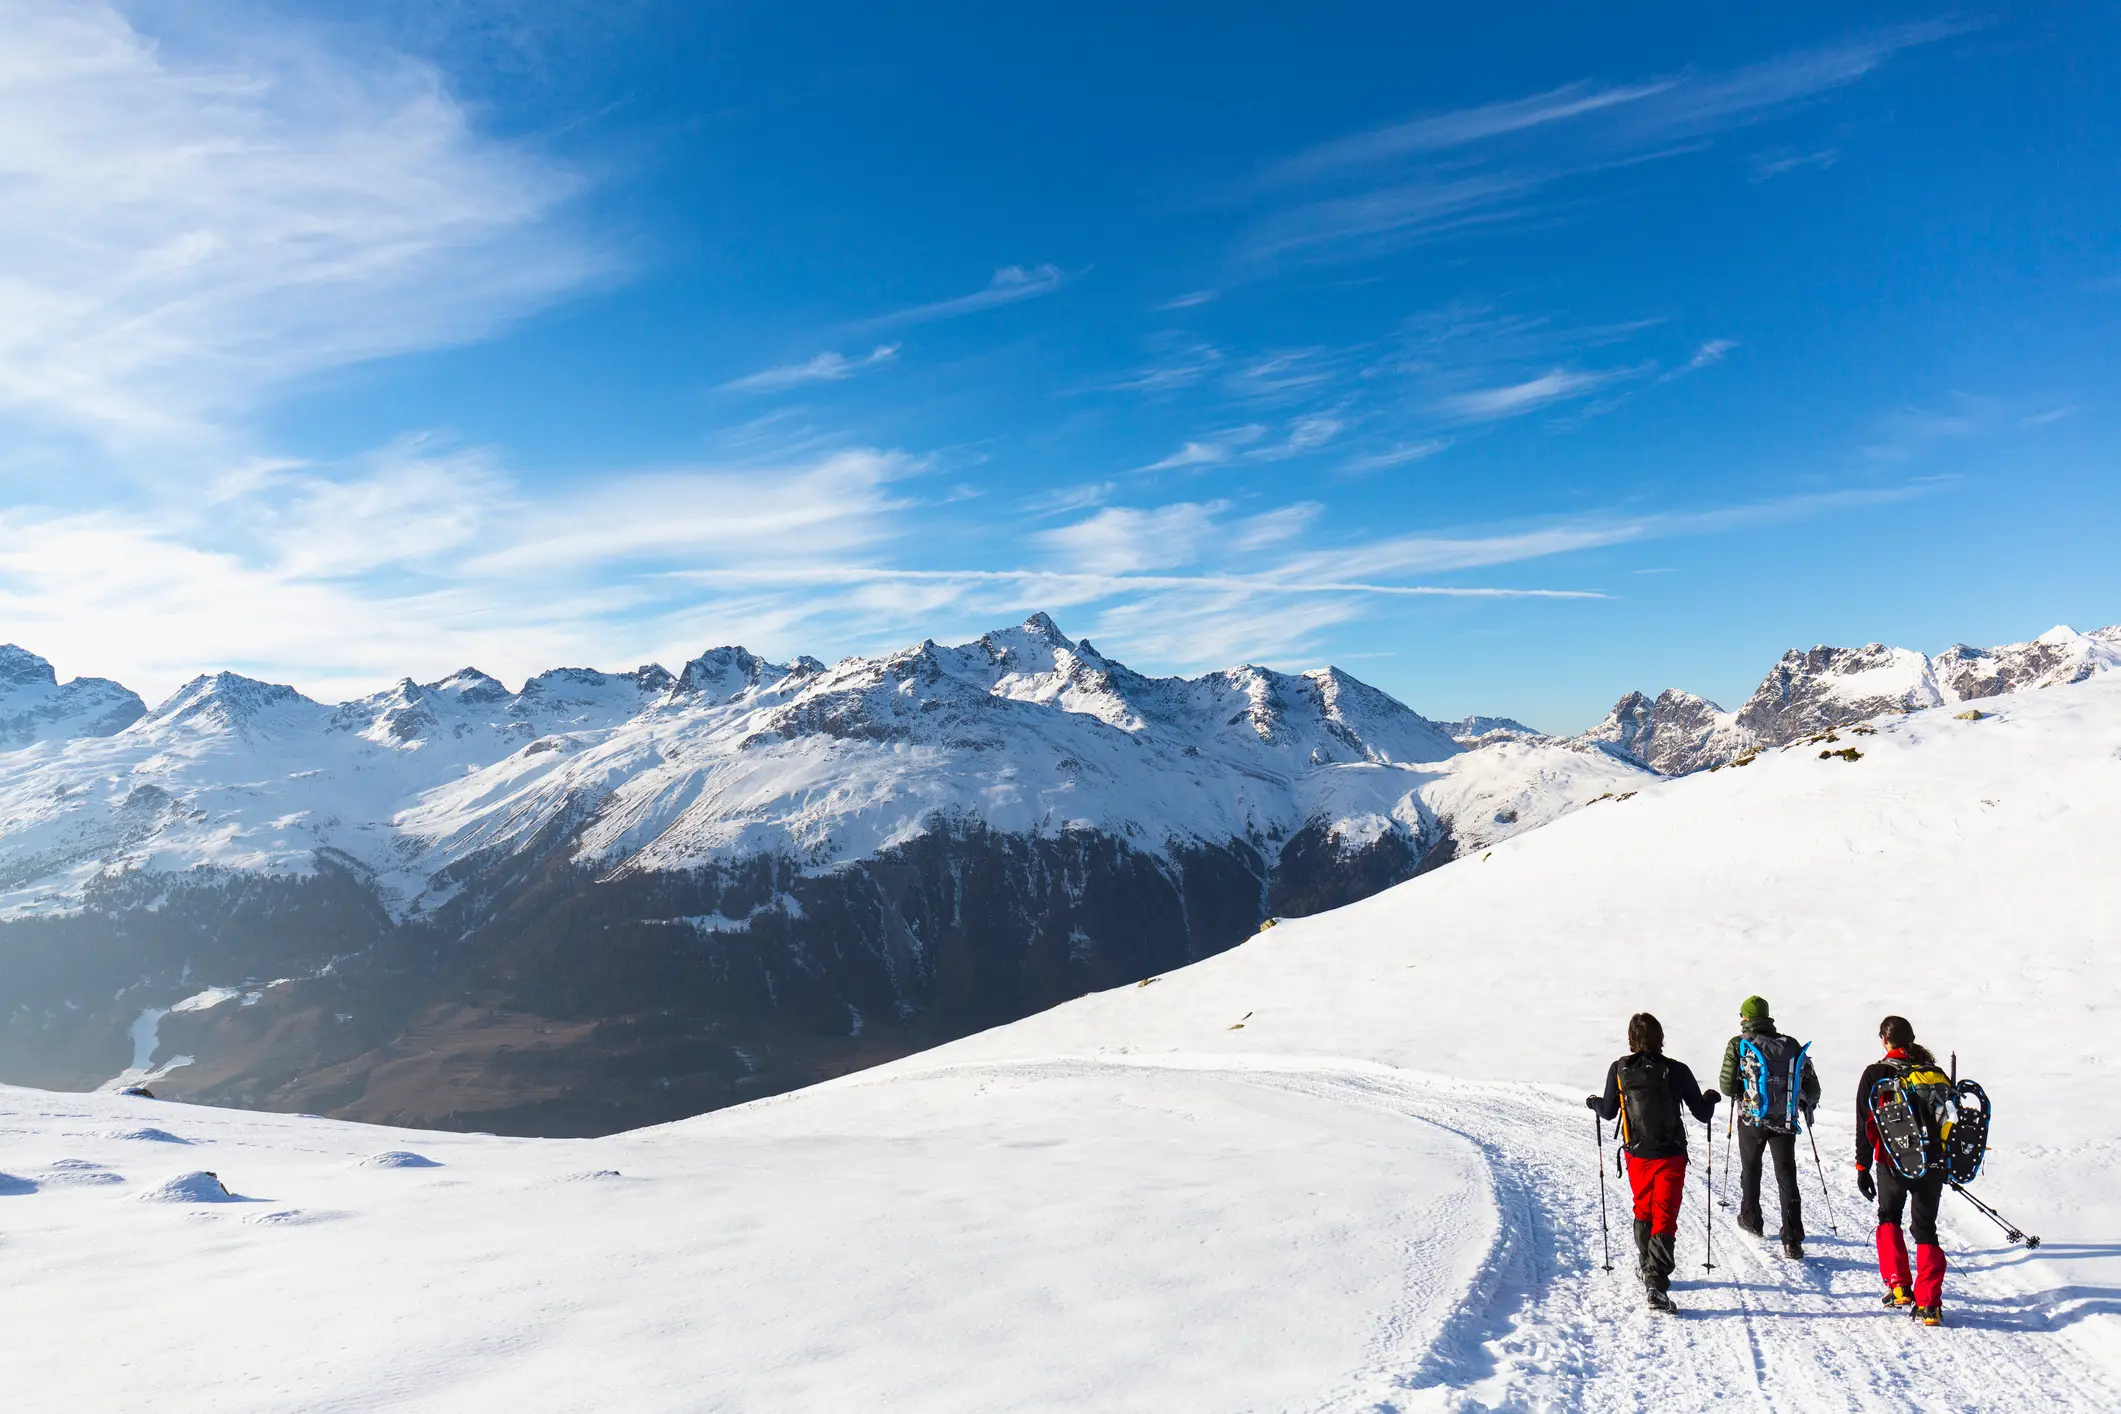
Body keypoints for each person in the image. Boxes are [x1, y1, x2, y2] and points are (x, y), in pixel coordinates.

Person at [1587, 1012, 1720, 1311]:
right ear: (1660, 1037)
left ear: (1631, 1039)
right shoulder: (1677, 1070)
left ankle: (1648, 1267)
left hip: (1637, 1155)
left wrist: (1594, 1103)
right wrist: (1711, 1098)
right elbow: (1702, 1113)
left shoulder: (1619, 1068)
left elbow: (1608, 1112)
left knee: (1643, 1209)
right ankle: (1656, 1282)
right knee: (1665, 1214)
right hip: (1671, 1155)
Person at [1856, 1015, 1951, 1326]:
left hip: (1892, 1159)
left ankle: (1898, 1287)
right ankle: (1930, 1305)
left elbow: (1865, 1124)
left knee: (1889, 1217)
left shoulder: (1876, 1074)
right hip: (1932, 1159)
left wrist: (1862, 1165)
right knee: (1926, 1228)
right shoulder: (1934, 1073)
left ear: (1885, 1040)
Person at [1717, 995, 1822, 1259]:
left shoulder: (1739, 1044)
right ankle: (1792, 1239)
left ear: (1746, 1018)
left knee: (1751, 1167)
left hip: (1752, 1118)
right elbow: (1811, 1085)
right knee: (1786, 1174)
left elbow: (1727, 1086)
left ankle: (1751, 1219)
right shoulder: (1790, 1044)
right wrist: (1804, 1103)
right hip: (1784, 1119)